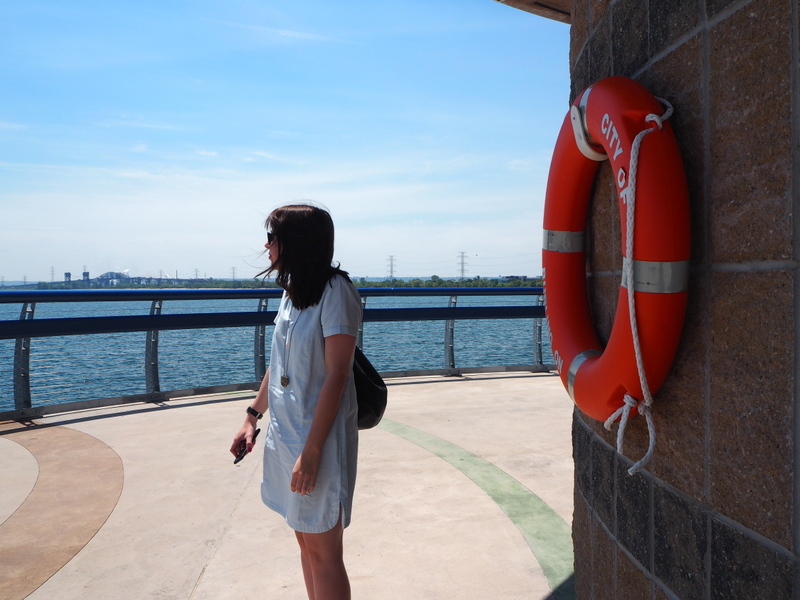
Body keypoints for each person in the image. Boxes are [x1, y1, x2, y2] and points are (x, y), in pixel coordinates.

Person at [231, 204, 362, 600]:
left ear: (297, 242)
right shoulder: (292, 292)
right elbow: (279, 364)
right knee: (305, 542)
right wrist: (252, 416)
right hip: (286, 433)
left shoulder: (336, 292)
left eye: (273, 237)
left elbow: (338, 375)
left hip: (318, 439)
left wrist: (312, 452)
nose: (267, 245)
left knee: (324, 550)